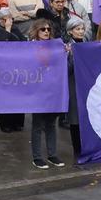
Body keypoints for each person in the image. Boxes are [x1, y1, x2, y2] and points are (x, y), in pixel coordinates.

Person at [26, 21, 65, 170]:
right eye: (43, 29)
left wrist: (65, 53)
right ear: (36, 31)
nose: (46, 31)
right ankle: (37, 157)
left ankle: (52, 154)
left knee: (51, 123)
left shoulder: (55, 47)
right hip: (37, 90)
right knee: (37, 124)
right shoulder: (29, 47)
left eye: (48, 29)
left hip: (53, 89)